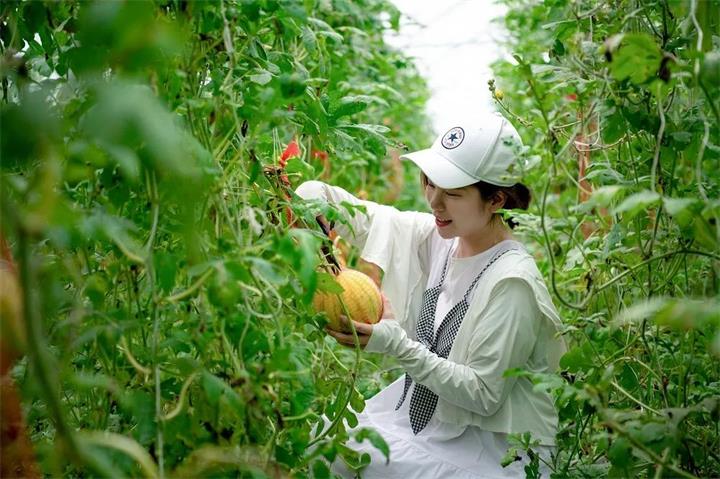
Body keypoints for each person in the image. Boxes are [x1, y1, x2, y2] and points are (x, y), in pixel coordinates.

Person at [296, 112, 566, 478]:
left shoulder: (512, 282)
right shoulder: (442, 239)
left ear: (496, 200)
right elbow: (355, 214)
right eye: (429, 182)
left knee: (348, 456)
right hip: (430, 427)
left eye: (453, 193)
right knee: (318, 440)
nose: (435, 202)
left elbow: (484, 394)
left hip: (494, 451)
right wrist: (312, 202)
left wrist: (397, 345)